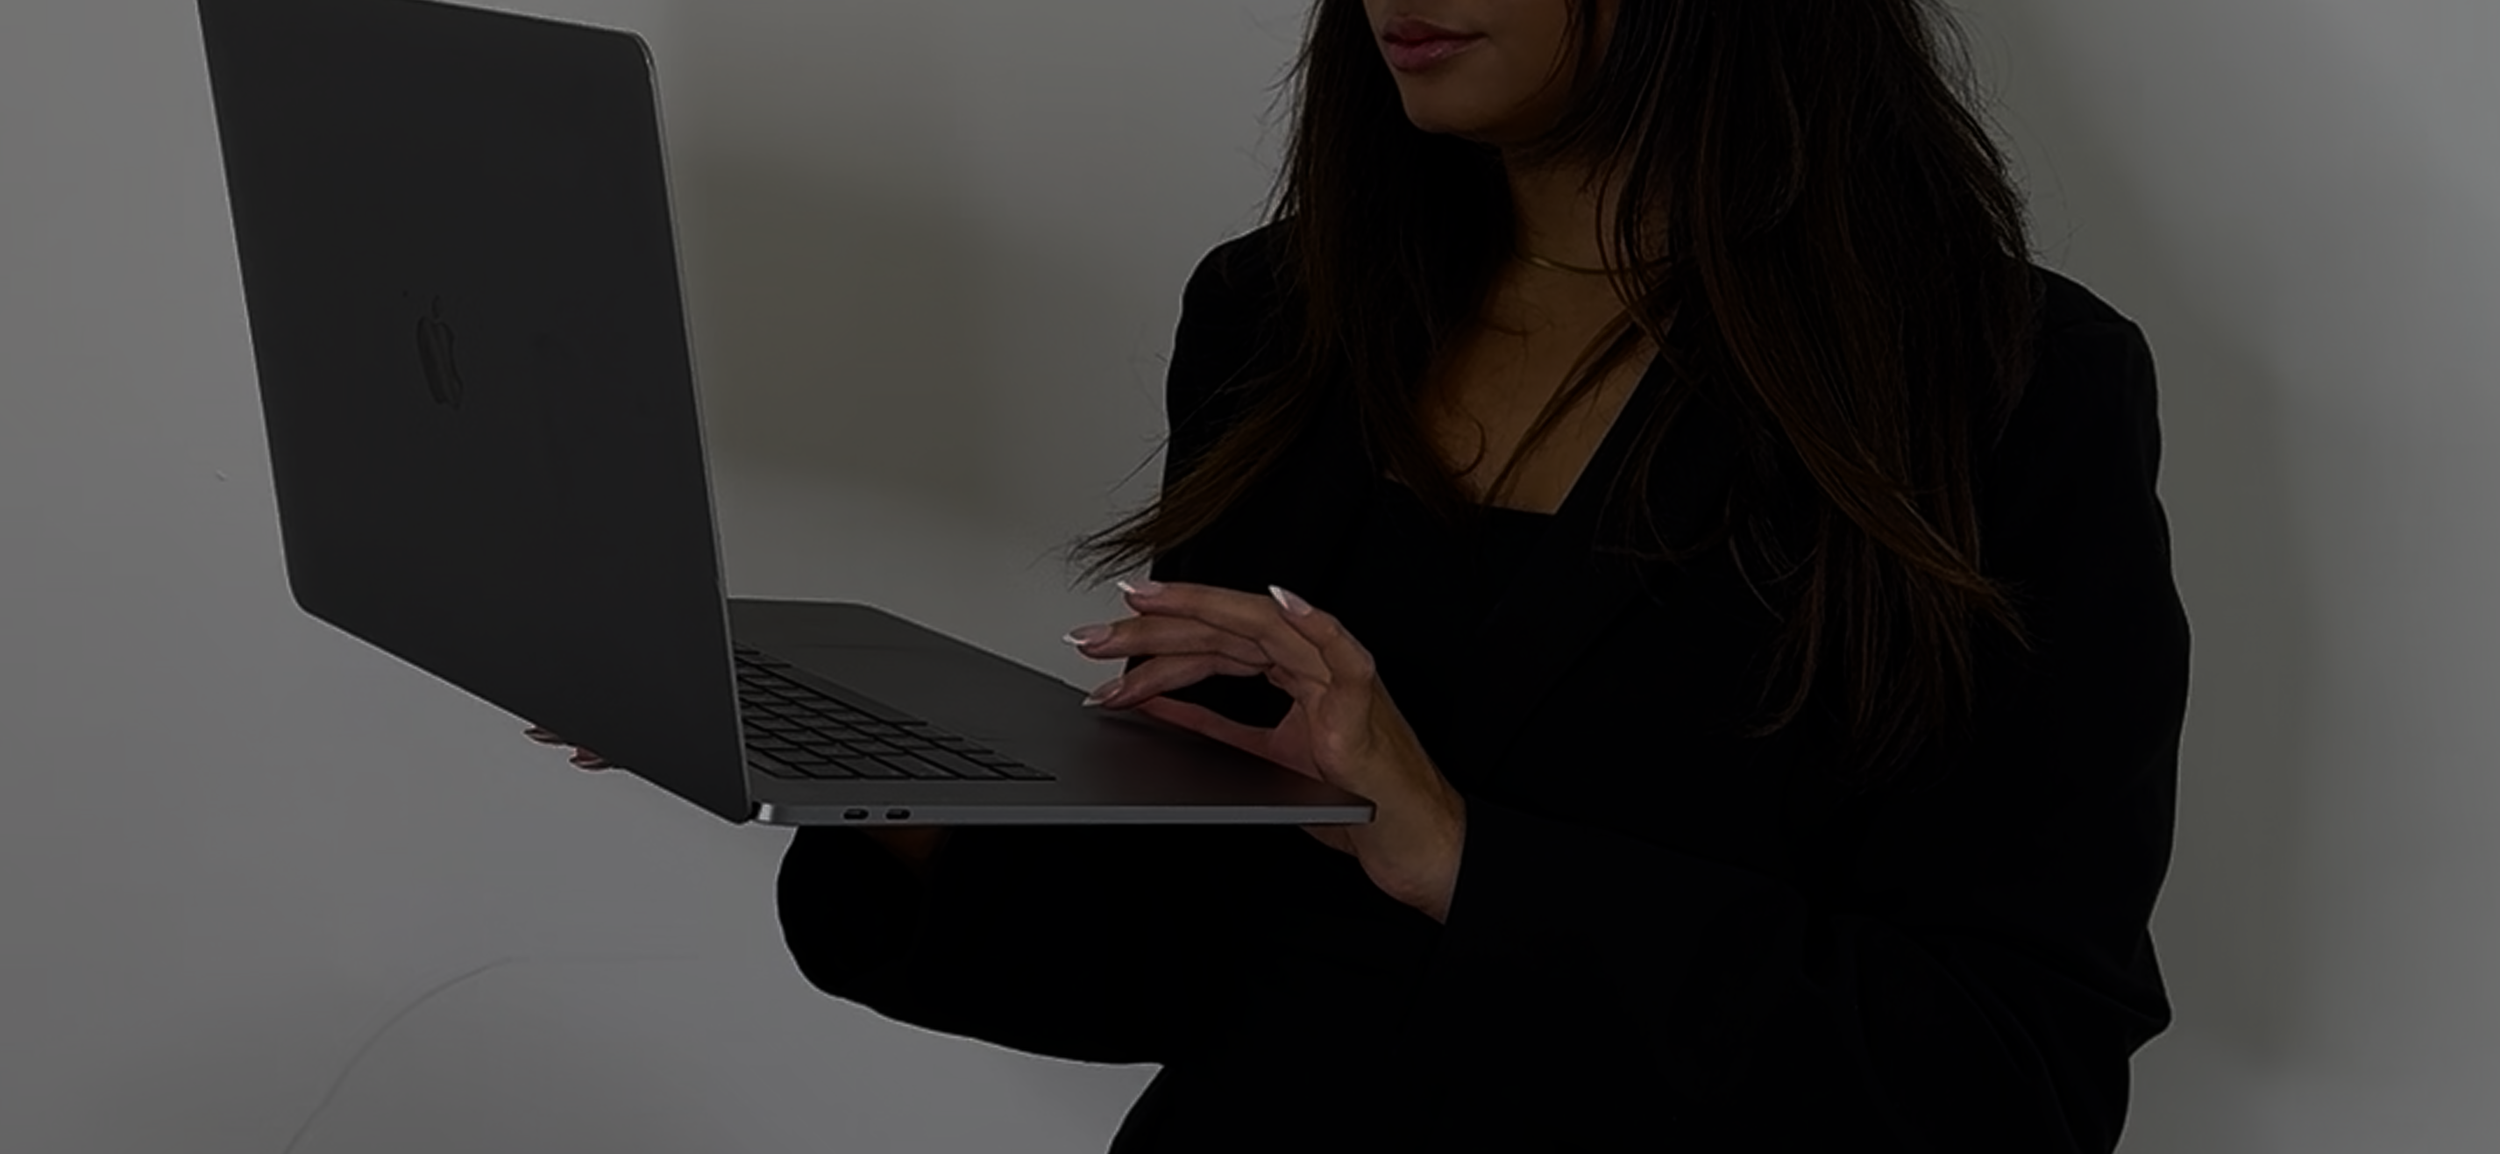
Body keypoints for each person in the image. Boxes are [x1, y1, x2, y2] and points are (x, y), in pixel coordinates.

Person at [539, 1, 2189, 1149]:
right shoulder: (1280, 316)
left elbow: (2009, 1083)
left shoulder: (2005, 386)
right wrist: (882, 783)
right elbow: (1186, 960)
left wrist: (1460, 853)